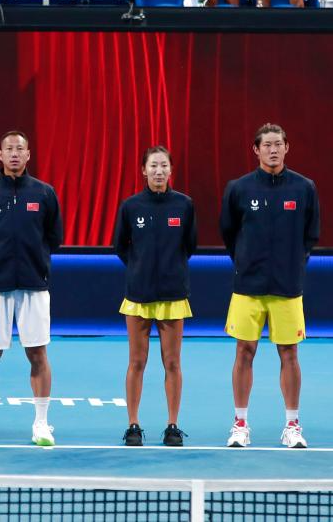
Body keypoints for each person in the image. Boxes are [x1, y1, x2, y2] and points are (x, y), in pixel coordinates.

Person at [220, 124, 319, 449]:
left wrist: (291, 264)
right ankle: (240, 424)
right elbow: (229, 232)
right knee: (244, 351)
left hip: (287, 288)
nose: (273, 150)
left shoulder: (304, 188)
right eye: (267, 145)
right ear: (256, 150)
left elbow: (310, 235)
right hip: (248, 287)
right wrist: (245, 261)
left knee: (289, 353)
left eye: (278, 144)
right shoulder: (239, 189)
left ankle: (292, 425)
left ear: (287, 147)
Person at [0, 131, 63, 447]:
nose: (14, 154)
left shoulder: (45, 194)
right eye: (8, 149)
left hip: (34, 286)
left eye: (19, 149)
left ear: (28, 154)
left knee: (38, 353)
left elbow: (54, 238)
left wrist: (36, 263)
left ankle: (42, 424)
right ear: (0, 155)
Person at [113, 146, 197, 448]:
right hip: (138, 295)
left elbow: (190, 245)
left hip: (173, 295)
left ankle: (172, 426)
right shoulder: (130, 206)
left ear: (171, 170)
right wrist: (140, 268)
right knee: (137, 362)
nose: (159, 171)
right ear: (144, 171)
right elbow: (120, 246)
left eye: (163, 166)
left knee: (172, 363)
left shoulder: (184, 205)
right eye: (153, 166)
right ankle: (133, 425)